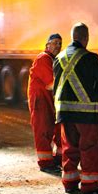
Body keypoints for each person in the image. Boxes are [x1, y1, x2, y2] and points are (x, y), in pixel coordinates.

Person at [53, 23, 98, 194]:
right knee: (89, 148)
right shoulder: (90, 58)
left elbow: (55, 86)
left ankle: (70, 183)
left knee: (69, 148)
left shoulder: (59, 58)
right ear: (85, 38)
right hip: (86, 113)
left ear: (73, 37)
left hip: (64, 112)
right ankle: (90, 185)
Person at [28, 33, 62, 174]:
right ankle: (45, 163)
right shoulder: (44, 58)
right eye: (54, 43)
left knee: (52, 129)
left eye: (60, 43)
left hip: (46, 100)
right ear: (47, 45)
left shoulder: (52, 59)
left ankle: (56, 160)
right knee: (43, 131)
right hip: (40, 100)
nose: (58, 46)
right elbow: (51, 84)